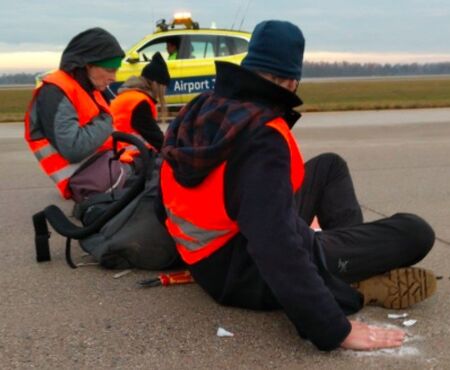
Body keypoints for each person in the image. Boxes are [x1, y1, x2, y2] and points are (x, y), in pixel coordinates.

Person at [157, 20, 437, 351]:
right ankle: (348, 274)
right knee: (416, 232)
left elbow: (168, 193)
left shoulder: (200, 107)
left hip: (207, 251)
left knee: (330, 165)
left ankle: (343, 261)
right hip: (243, 271)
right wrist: (332, 328)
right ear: (292, 82)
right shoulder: (263, 139)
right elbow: (273, 245)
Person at [24, 27, 127, 201]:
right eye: (110, 70)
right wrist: (106, 122)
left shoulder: (90, 88)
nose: (114, 78)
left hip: (106, 165)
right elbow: (73, 148)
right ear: (88, 65)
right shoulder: (55, 92)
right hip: (89, 179)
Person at [110, 52, 171, 153]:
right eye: (164, 88)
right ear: (155, 84)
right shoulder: (140, 103)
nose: (164, 92)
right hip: (123, 153)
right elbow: (157, 139)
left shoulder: (132, 95)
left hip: (115, 148)